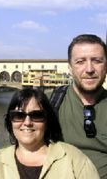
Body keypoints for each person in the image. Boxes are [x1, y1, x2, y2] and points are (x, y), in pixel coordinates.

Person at [0, 88, 99, 179]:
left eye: (37, 115)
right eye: (19, 116)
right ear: (10, 121)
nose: (27, 123)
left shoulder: (74, 158)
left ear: (47, 120)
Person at [52, 34, 107, 178]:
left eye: (97, 61)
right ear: (70, 68)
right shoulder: (50, 102)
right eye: (80, 62)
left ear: (106, 66)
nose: (89, 69)